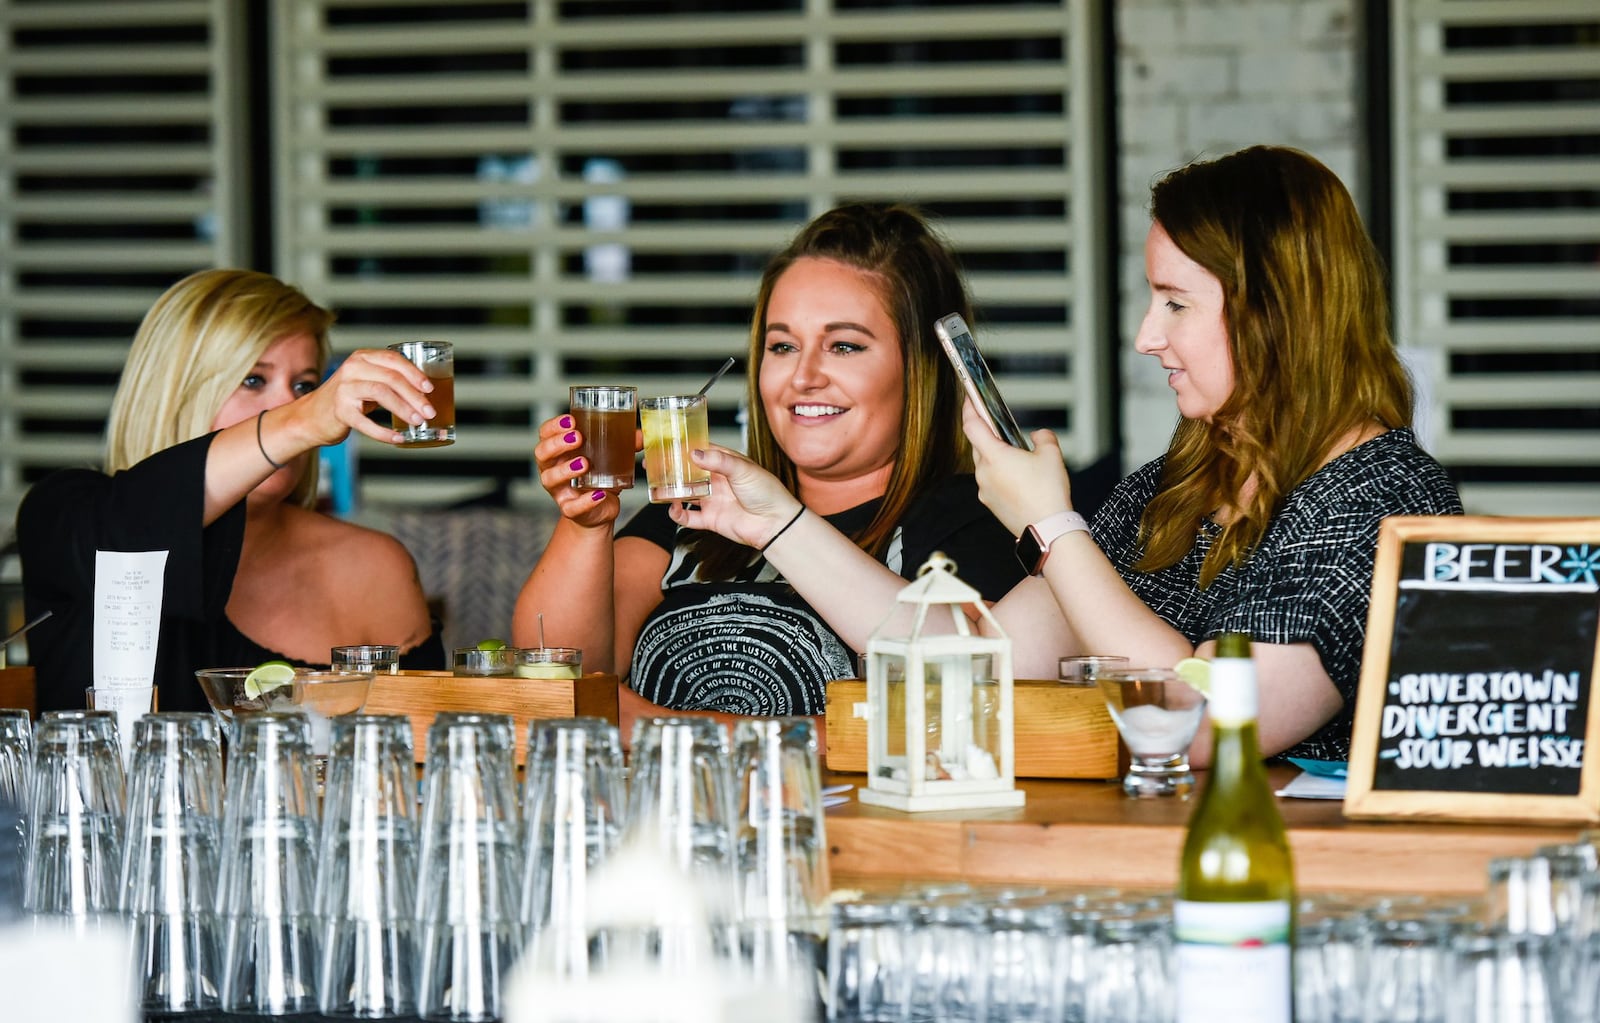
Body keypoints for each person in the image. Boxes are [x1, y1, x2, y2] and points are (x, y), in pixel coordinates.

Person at [677, 146, 1463, 765]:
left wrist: (1052, 526)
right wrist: (775, 522)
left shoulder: (1380, 498)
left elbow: (1207, 727)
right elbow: (962, 667)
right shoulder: (1177, 485)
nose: (1146, 336)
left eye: (1176, 303)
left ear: (1275, 311)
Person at [513, 203, 1025, 736]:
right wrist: (585, 525)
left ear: (922, 368)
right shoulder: (700, 507)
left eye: (844, 346)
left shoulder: (972, 523)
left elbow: (949, 719)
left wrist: (654, 725)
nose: (803, 377)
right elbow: (554, 676)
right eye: (782, 346)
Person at [17, 269, 447, 713]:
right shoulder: (65, 513)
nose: (290, 405)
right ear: (175, 394)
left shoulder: (374, 566)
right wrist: (302, 420)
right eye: (254, 380)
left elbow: (424, 752)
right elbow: (131, 535)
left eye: (304, 385)